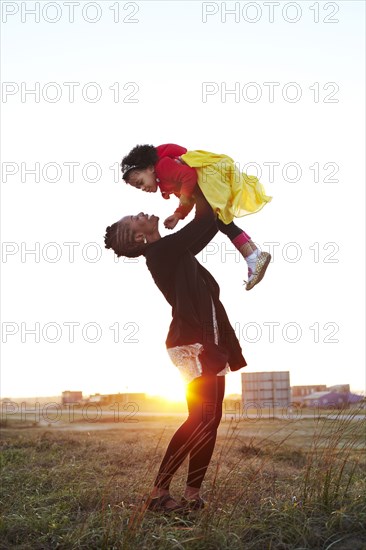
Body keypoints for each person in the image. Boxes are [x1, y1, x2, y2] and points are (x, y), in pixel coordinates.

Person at [104, 185, 247, 513]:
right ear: (139, 239)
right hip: (194, 344)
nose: (140, 214)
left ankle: (192, 495)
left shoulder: (170, 250)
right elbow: (207, 221)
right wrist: (196, 182)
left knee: (209, 420)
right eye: (134, 220)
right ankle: (158, 493)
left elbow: (204, 225)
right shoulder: (162, 253)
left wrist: (198, 196)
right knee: (202, 418)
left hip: (206, 343)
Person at [120, 143, 272, 291]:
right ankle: (255, 255)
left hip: (209, 184)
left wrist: (183, 200)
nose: (142, 188)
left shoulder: (163, 168)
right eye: (138, 188)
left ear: (150, 168)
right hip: (209, 186)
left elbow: (189, 176)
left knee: (214, 221)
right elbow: (189, 196)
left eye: (141, 182)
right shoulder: (164, 180)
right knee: (223, 222)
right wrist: (179, 214)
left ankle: (253, 257)